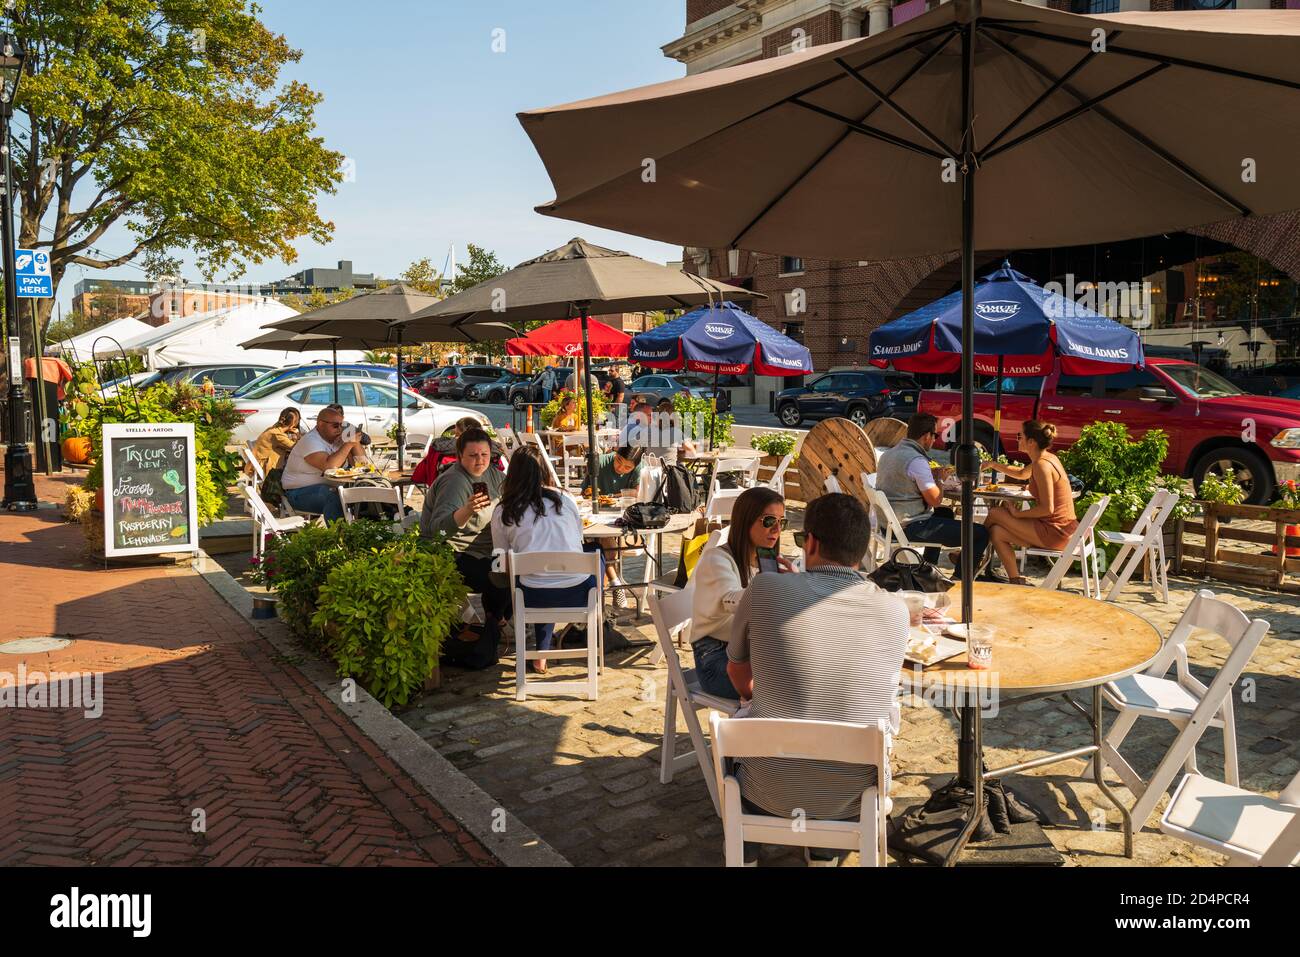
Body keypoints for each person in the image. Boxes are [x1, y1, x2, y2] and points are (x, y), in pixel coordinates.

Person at [727, 493, 908, 865]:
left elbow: (736, 671)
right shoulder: (895, 610)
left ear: (811, 542)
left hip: (767, 790)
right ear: (861, 551)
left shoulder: (763, 589)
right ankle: (825, 853)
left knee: (739, 752)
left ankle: (745, 854)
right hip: (851, 798)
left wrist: (761, 698)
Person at [491, 447, 594, 673]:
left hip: (532, 597)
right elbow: (578, 539)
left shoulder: (502, 510)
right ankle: (597, 626)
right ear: (544, 471)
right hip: (579, 594)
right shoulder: (565, 498)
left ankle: (541, 657)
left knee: (534, 577)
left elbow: (500, 561)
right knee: (595, 556)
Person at [690, 487, 793, 700]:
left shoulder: (765, 561)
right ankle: (749, 730)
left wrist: (796, 583)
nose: (776, 529)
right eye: (768, 521)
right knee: (784, 688)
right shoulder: (716, 559)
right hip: (715, 657)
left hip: (753, 651)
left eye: (781, 522)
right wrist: (777, 588)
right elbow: (732, 600)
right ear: (746, 520)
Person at [874, 412, 991, 580]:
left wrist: (932, 475)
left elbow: (906, 481)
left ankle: (927, 569)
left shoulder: (889, 454)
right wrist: (941, 481)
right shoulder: (916, 460)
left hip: (889, 524)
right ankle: (959, 580)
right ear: (926, 436)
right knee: (980, 533)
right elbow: (935, 500)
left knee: (946, 514)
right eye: (935, 435)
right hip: (909, 526)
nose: (935, 439)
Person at [420, 427, 510, 642]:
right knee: (493, 574)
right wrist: (467, 510)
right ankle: (483, 627)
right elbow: (438, 531)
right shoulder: (455, 482)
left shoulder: (496, 476)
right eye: (472, 455)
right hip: (454, 550)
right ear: (460, 456)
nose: (479, 460)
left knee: (515, 567)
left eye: (484, 454)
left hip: (489, 547)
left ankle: (495, 621)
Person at [982, 420, 1078, 585]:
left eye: (1020, 436)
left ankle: (969, 556)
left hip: (1056, 532)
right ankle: (1016, 580)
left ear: (1031, 442)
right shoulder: (1046, 458)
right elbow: (1021, 474)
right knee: (997, 532)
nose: (1018, 439)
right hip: (1063, 529)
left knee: (994, 513)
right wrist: (992, 464)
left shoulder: (1042, 466)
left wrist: (1018, 514)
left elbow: (1047, 509)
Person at [281, 404, 368, 521]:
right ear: (321, 424)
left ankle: (366, 533)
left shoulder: (338, 438)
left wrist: (354, 441)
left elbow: (362, 465)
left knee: (367, 491)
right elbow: (329, 467)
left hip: (330, 487)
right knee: (335, 497)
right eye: (335, 425)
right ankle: (340, 536)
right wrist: (349, 444)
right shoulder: (310, 440)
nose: (339, 429)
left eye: (341, 425)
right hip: (298, 492)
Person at [581, 445, 644, 605]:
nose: (621, 468)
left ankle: (614, 584)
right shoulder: (600, 463)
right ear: (615, 455)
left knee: (605, 537)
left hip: (624, 520)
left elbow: (637, 494)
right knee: (605, 536)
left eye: (628, 467)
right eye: (618, 461)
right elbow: (585, 492)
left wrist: (610, 496)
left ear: (634, 467)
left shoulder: (638, 469)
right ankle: (616, 584)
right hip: (597, 517)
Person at [249, 407, 300, 477]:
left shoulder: (272, 429)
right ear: (293, 424)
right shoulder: (277, 434)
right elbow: (297, 447)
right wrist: (298, 435)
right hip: (265, 466)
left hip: (257, 463)